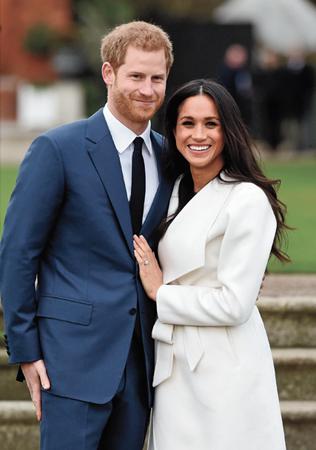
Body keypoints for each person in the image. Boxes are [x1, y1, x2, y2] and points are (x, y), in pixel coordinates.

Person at [0, 21, 174, 450]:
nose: (148, 89)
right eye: (136, 76)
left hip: (143, 365)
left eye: (157, 78)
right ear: (108, 74)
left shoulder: (172, 157)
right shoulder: (58, 149)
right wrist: (26, 350)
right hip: (70, 361)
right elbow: (18, 253)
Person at [133, 79, 288, 450]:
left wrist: (161, 293)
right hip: (174, 366)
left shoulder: (247, 199)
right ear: (172, 130)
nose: (198, 134)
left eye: (211, 123)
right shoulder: (172, 190)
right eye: (187, 123)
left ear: (228, 130)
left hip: (225, 366)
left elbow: (235, 304)